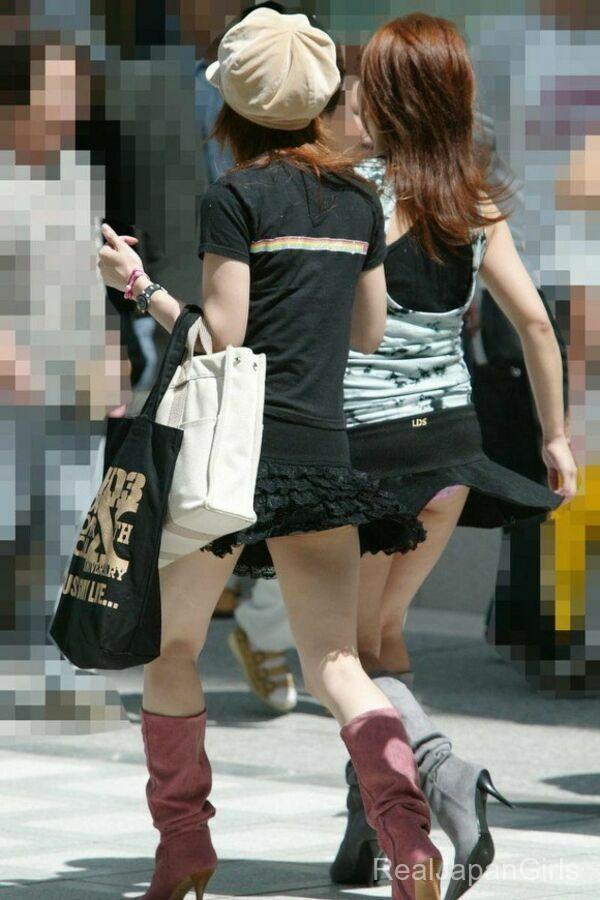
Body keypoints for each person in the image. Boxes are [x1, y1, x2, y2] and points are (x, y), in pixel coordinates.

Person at [97, 8, 444, 900]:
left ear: (236, 108)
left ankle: (184, 846)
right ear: (321, 102)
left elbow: (221, 336)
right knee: (337, 663)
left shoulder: (235, 196)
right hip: (320, 452)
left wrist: (139, 287)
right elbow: (368, 333)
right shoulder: (359, 203)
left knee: (174, 649)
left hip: (230, 454)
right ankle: (407, 833)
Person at [330, 14, 578, 900]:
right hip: (453, 454)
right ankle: (367, 828)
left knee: (343, 655)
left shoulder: (351, 193)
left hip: (369, 454)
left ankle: (443, 775)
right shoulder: (474, 201)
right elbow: (535, 325)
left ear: (385, 97)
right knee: (384, 636)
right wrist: (554, 435)